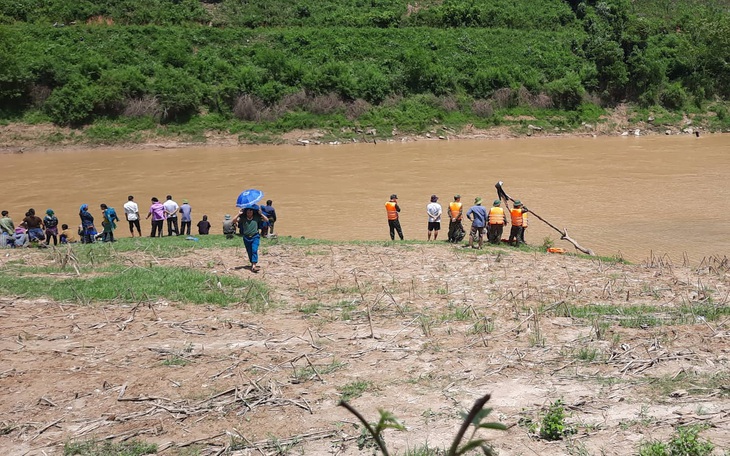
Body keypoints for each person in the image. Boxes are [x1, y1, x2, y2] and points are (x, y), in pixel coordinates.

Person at [233, 205, 268, 272]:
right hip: (246, 237)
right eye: (248, 212)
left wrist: (261, 214)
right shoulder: (243, 218)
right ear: (246, 212)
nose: (249, 213)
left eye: (250, 212)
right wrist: (239, 214)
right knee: (249, 251)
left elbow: (266, 220)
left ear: (252, 212)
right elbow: (233, 221)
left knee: (254, 250)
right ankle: (252, 263)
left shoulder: (256, 217)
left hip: (255, 236)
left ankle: (254, 265)